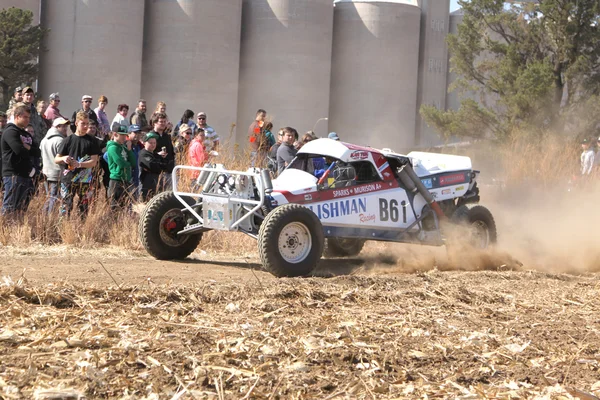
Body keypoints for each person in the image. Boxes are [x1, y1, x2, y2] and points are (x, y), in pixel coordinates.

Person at [55, 112, 101, 216]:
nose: (85, 126)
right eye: (83, 123)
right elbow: (56, 159)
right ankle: (64, 228)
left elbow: (94, 161)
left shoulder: (92, 141)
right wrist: (64, 158)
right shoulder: (67, 140)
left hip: (85, 178)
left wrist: (79, 165)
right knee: (66, 206)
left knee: (84, 208)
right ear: (76, 123)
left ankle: (82, 228)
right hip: (68, 178)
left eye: (87, 124)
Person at [1, 103, 39, 215]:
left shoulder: (26, 134)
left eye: (29, 117)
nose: (28, 120)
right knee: (9, 207)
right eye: (25, 117)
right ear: (17, 116)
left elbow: (37, 152)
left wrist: (26, 146)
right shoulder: (10, 132)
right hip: (13, 174)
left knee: (21, 208)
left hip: (26, 174)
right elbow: (19, 150)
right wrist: (28, 149)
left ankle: (16, 230)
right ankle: (4, 228)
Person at [40, 117, 69, 214]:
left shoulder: (44, 139)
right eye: (63, 126)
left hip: (46, 173)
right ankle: (50, 219)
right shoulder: (60, 140)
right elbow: (63, 159)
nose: (66, 128)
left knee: (50, 197)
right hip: (57, 174)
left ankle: (45, 217)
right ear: (57, 127)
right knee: (55, 199)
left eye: (66, 126)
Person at [106, 126, 136, 212]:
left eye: (125, 135)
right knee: (115, 207)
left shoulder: (124, 147)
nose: (124, 137)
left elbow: (133, 162)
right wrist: (128, 164)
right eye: (122, 135)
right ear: (115, 134)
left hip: (125, 179)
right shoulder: (112, 148)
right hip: (116, 180)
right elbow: (120, 162)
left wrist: (129, 150)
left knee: (126, 207)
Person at [139, 132, 171, 201]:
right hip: (147, 186)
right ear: (144, 143)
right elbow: (153, 166)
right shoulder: (143, 154)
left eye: (154, 143)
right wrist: (160, 164)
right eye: (150, 143)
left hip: (157, 184)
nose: (153, 145)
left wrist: (161, 160)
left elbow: (166, 165)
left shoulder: (155, 154)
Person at [149, 113, 174, 191]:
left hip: (168, 170)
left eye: (164, 121)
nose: (163, 124)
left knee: (169, 194)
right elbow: (146, 153)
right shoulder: (150, 136)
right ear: (155, 123)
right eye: (161, 122)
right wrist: (157, 154)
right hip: (156, 171)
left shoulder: (167, 136)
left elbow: (171, 152)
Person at [128, 124, 143, 199]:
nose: (137, 135)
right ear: (129, 134)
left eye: (138, 133)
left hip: (137, 177)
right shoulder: (125, 145)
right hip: (128, 177)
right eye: (135, 133)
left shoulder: (140, 146)